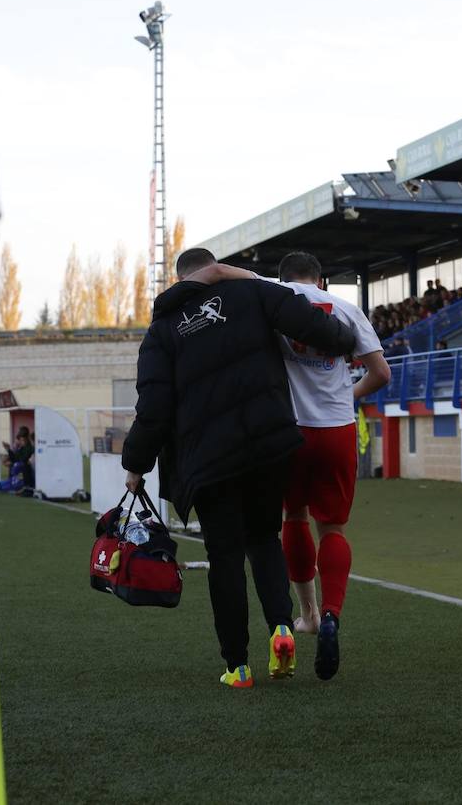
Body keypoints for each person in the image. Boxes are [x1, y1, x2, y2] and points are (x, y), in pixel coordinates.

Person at [121, 247, 356, 689]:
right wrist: (346, 342)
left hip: (208, 462)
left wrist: (136, 465)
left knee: (224, 558)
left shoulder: (162, 330)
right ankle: (282, 629)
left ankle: (238, 666)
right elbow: (308, 323)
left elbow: (153, 408)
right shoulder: (251, 294)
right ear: (216, 271)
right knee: (264, 539)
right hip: (268, 448)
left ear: (180, 280)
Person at [194, 251, 390, 680]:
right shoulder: (347, 309)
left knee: (293, 518)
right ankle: (334, 614)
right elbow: (381, 374)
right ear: (320, 280)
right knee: (333, 528)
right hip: (337, 429)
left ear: (284, 278)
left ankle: (309, 615)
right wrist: (345, 396)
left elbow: (220, 271)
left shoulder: (274, 295)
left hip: (288, 432)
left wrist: (190, 287)